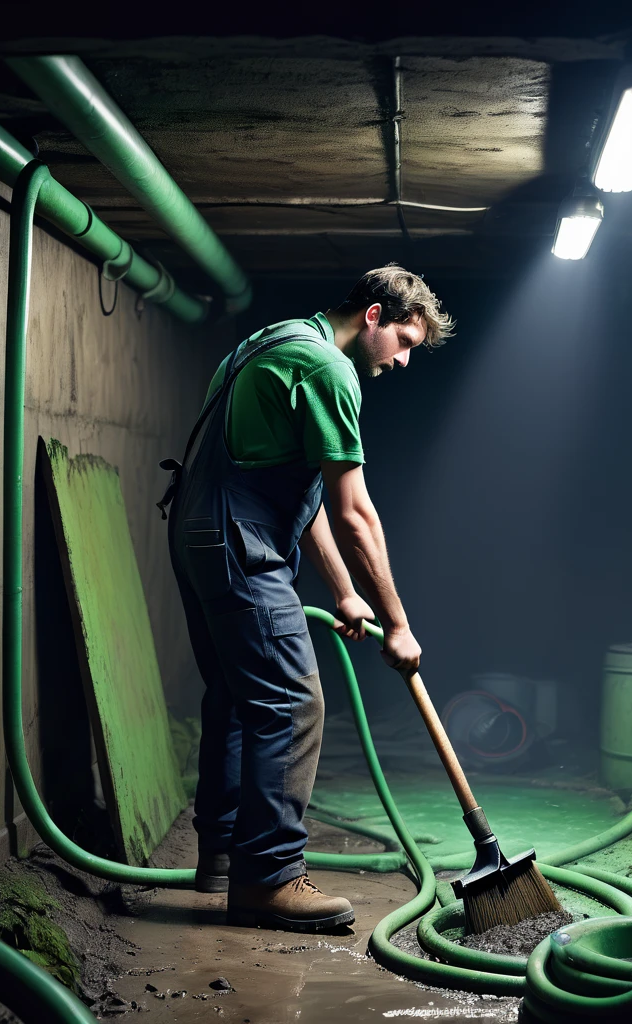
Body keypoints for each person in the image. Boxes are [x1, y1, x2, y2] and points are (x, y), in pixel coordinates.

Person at [162, 264, 454, 932]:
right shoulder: (329, 369)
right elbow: (355, 514)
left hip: (200, 528)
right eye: (404, 341)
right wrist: (399, 625)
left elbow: (302, 490)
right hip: (241, 539)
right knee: (292, 701)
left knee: (239, 694)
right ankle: (268, 879)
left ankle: (225, 858)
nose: (404, 361)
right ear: (374, 316)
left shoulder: (272, 341)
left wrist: (347, 593)